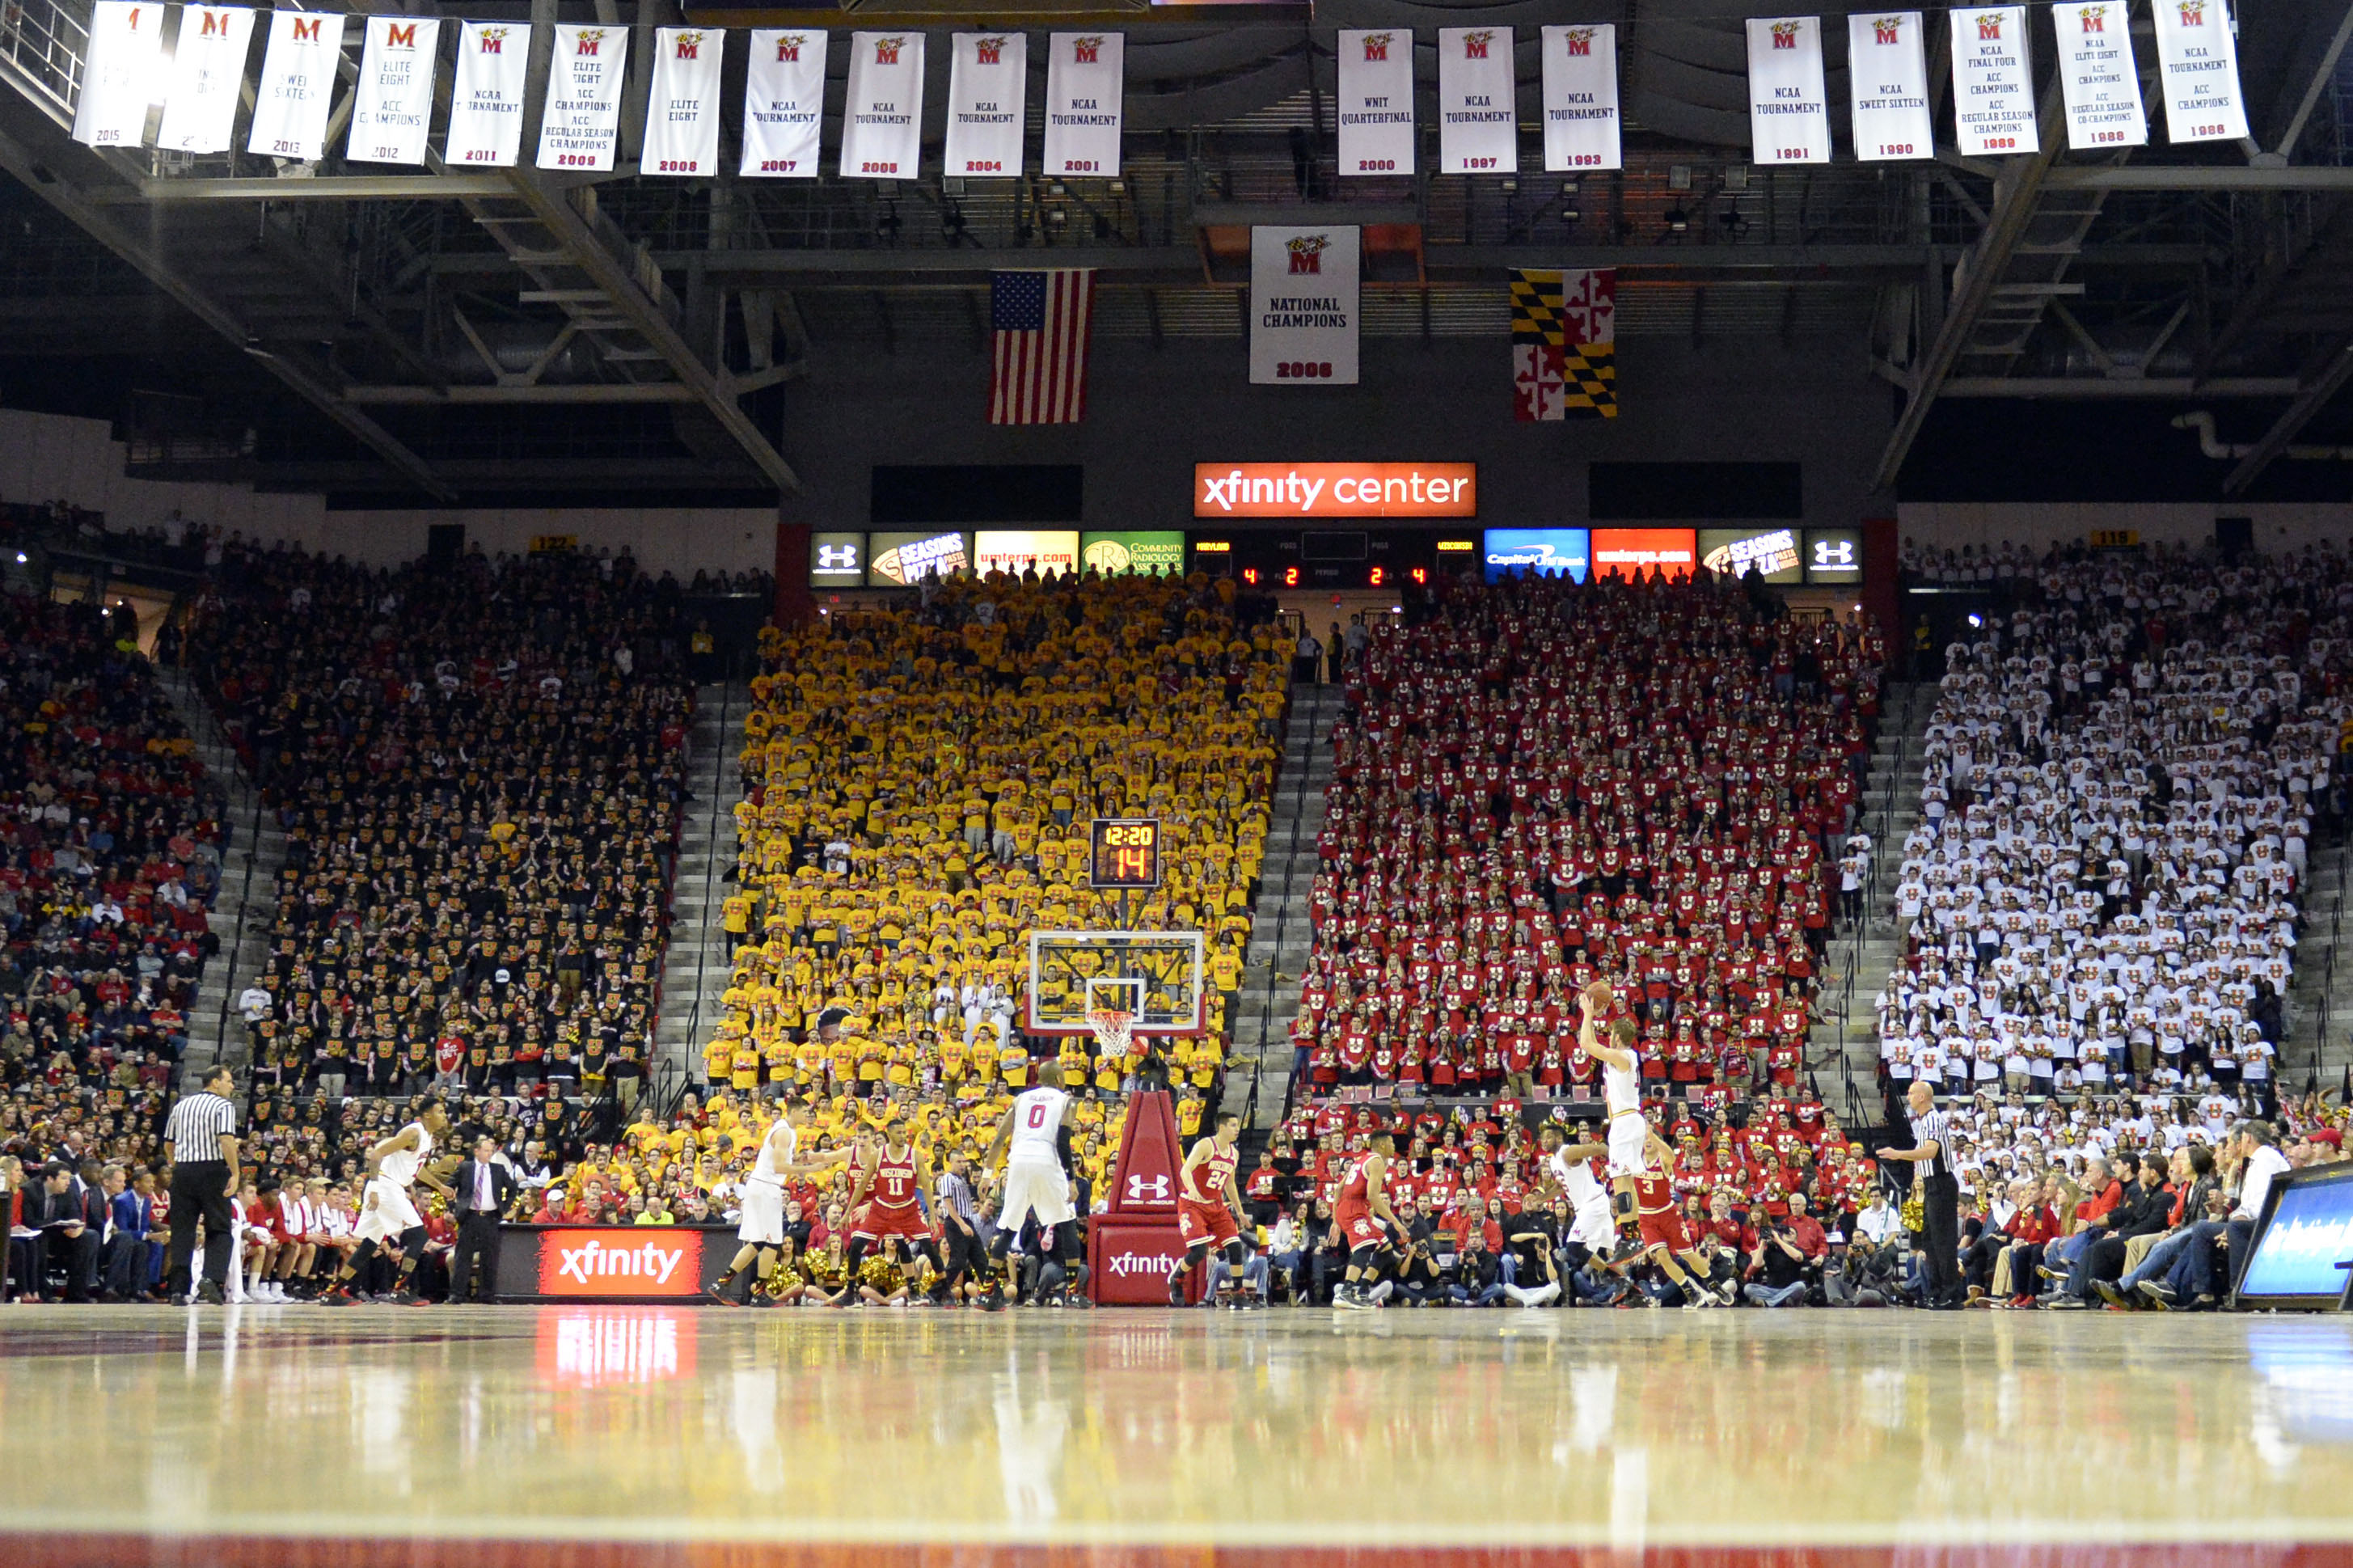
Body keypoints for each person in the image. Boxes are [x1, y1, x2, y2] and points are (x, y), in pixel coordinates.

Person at [321, 1098, 453, 1306]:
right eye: (440, 1111)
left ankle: (331, 1293)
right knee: (418, 1236)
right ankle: (399, 1290)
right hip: (384, 1186)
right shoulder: (413, 1133)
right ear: (427, 1114)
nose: (444, 1115)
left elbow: (417, 1169)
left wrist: (440, 1186)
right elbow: (376, 1154)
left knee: (368, 1245)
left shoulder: (426, 1137)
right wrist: (373, 1187)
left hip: (388, 1186)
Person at [983, 1079, 1084, 1311]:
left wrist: (988, 1174)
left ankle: (985, 1291)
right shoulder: (1066, 1100)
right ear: (1059, 1080)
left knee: (1008, 1228)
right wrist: (1070, 1179)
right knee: (1067, 1222)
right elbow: (1062, 1141)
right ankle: (1072, 1292)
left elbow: (999, 1138)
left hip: (1018, 1163)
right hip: (1046, 1161)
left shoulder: (1019, 1099)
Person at [1874, 1080, 1961, 1308]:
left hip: (1941, 1183)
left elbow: (1931, 1152)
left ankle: (1951, 1294)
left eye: (1912, 1093)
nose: (1908, 1097)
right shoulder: (1923, 1122)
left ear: (1922, 1097)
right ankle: (1934, 1291)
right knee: (1929, 1241)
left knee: (1943, 1242)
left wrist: (1898, 1154)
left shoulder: (1932, 1119)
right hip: (1932, 1184)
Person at [1577, 982, 1649, 1249]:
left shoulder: (1623, 1057)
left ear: (1617, 1038)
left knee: (1621, 1180)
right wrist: (1593, 1018)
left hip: (1626, 1120)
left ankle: (1630, 1237)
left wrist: (1587, 1013)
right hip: (1629, 1119)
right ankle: (1634, 1233)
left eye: (1611, 1035)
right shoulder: (1623, 1057)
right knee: (1627, 1179)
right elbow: (1593, 1043)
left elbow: (1586, 1044)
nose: (1608, 1038)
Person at [162, 1064, 242, 1305]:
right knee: (219, 1229)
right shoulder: (223, 1106)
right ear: (215, 1082)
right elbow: (226, 1139)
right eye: (229, 1081)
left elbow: (168, 1143)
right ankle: (211, 1278)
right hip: (212, 1170)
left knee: (182, 1231)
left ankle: (177, 1290)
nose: (232, 1086)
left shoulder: (181, 1105)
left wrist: (177, 1165)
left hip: (183, 1172)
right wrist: (235, 1173)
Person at [846, 1118, 940, 1300]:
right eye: (860, 1137)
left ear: (874, 1138)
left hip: (894, 1206)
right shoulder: (856, 1154)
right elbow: (861, 1182)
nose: (863, 1141)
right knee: (856, 1246)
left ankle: (913, 1288)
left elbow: (924, 1185)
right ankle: (852, 1290)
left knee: (904, 1246)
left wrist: (932, 1215)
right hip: (876, 1207)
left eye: (866, 1137)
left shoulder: (909, 1155)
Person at [1168, 1111, 1252, 1308]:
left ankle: (1239, 1293)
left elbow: (1229, 1183)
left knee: (1235, 1246)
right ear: (1222, 1127)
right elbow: (1185, 1170)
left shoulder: (1234, 1153)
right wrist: (1193, 1189)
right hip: (1192, 1204)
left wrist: (1239, 1211)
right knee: (1198, 1252)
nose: (1237, 1129)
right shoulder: (1206, 1145)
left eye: (1237, 1125)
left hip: (1216, 1205)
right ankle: (1177, 1279)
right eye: (1233, 1125)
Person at [1332, 1129, 1404, 1311]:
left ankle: (1363, 1291)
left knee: (1386, 1250)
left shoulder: (1361, 1159)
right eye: (1391, 1142)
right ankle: (1345, 1293)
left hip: (1350, 1208)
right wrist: (1396, 1222)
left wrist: (1335, 1220)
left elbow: (1338, 1189)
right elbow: (1373, 1196)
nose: (1394, 1146)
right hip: (1353, 1210)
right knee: (1364, 1247)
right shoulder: (1377, 1162)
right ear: (1382, 1144)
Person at [449, 1136, 517, 1304]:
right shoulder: (465, 1167)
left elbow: (512, 1188)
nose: (489, 1153)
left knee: (490, 1257)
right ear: (476, 1151)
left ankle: (487, 1295)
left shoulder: (498, 1169)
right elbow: (449, 1186)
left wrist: (504, 1208)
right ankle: (457, 1294)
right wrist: (453, 1207)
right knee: (463, 1257)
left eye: (491, 1151)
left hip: (490, 1217)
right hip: (469, 1216)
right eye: (486, 1150)